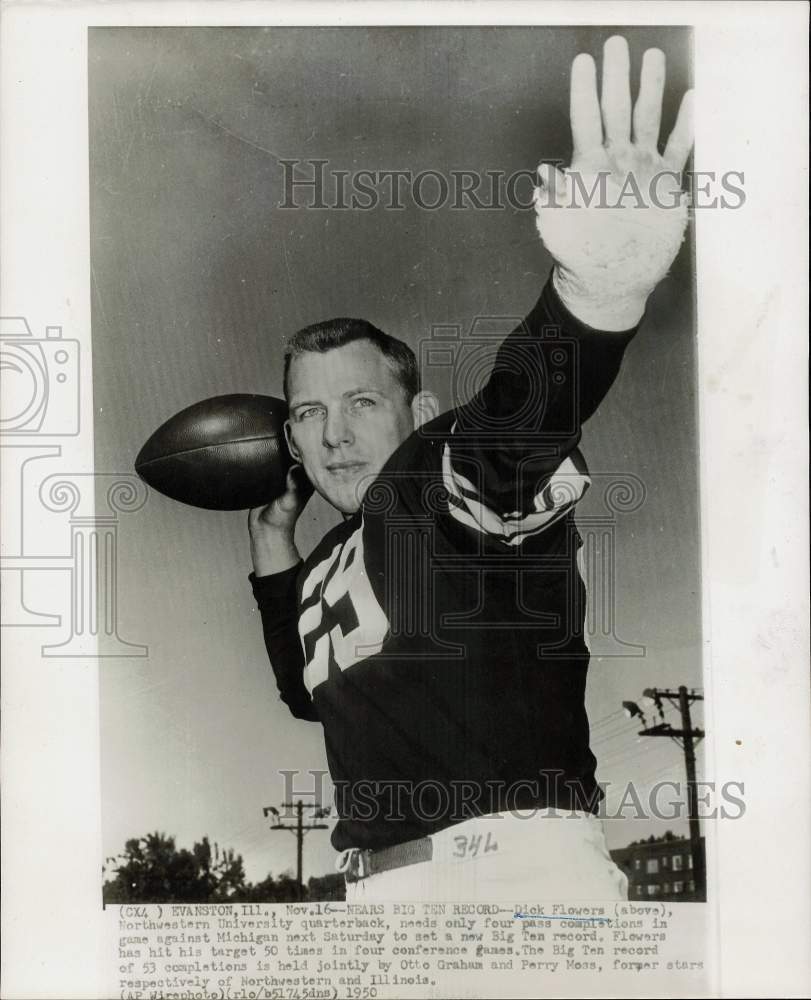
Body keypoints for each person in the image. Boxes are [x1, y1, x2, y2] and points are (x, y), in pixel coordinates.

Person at [247, 36, 693, 901]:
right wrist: (273, 535)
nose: (333, 433)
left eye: (361, 402)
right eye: (308, 412)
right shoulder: (333, 561)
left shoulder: (433, 473)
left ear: (416, 415)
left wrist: (598, 288)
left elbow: (518, 418)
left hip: (509, 878)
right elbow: (312, 694)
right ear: (289, 439)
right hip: (377, 894)